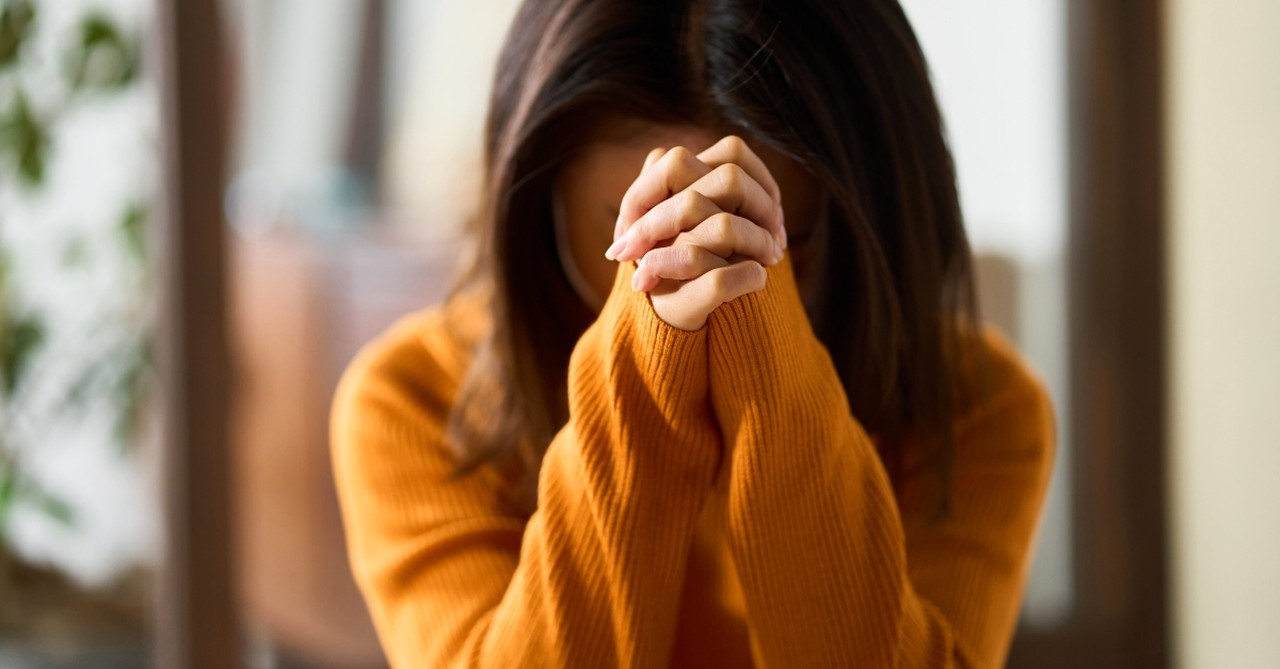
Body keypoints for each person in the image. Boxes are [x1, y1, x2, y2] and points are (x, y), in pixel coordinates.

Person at [331, 0, 1055, 666]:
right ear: (539, 204)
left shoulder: (978, 409)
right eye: (639, 232)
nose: (701, 270)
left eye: (778, 239)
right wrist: (645, 362)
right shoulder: (411, 400)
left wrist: (767, 355)